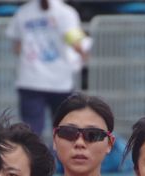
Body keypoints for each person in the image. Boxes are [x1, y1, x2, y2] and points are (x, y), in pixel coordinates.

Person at [6, 0, 90, 137]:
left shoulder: (23, 12)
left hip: (30, 80)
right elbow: (75, 43)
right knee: (63, 130)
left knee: (31, 133)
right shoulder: (66, 13)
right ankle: (58, 158)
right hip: (60, 81)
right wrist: (83, 54)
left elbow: (17, 47)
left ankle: (33, 158)